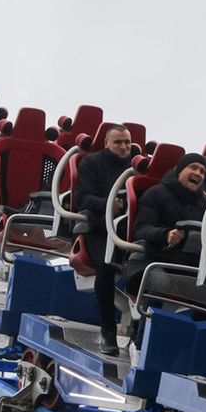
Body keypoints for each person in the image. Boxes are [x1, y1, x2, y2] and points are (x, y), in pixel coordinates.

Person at [73, 124, 136, 356]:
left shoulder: (136, 166)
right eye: (118, 142)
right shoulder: (92, 163)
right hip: (98, 229)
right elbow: (81, 198)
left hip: (127, 232)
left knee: (139, 269)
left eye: (127, 142)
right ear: (107, 143)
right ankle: (108, 333)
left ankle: (136, 335)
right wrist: (109, 205)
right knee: (106, 267)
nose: (123, 147)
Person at [122, 153, 206, 295]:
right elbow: (141, 229)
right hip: (151, 258)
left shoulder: (205, 204)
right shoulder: (155, 193)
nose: (198, 173)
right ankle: (147, 316)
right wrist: (166, 234)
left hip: (187, 265)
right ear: (179, 170)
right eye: (193, 168)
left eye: (202, 171)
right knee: (161, 283)